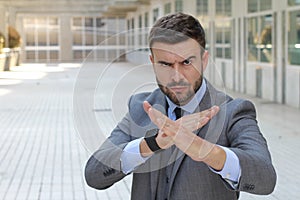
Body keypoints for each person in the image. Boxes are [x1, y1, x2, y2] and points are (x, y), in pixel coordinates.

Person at [84, 12, 276, 199]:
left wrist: (205, 150)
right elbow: (94, 173)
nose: (176, 76)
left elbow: (265, 177)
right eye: (165, 64)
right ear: (152, 62)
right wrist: (152, 144)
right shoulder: (141, 108)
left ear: (204, 60)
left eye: (186, 62)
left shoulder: (233, 111)